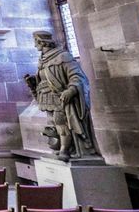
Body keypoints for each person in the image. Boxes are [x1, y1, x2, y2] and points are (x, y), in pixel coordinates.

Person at [24, 30, 97, 161]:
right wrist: (34, 82)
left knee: (61, 122)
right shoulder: (43, 60)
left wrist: (71, 90)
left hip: (60, 97)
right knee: (53, 123)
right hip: (46, 97)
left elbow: (77, 77)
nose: (35, 46)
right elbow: (46, 78)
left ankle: (65, 149)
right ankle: (63, 148)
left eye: (36, 42)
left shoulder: (63, 56)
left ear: (42, 42)